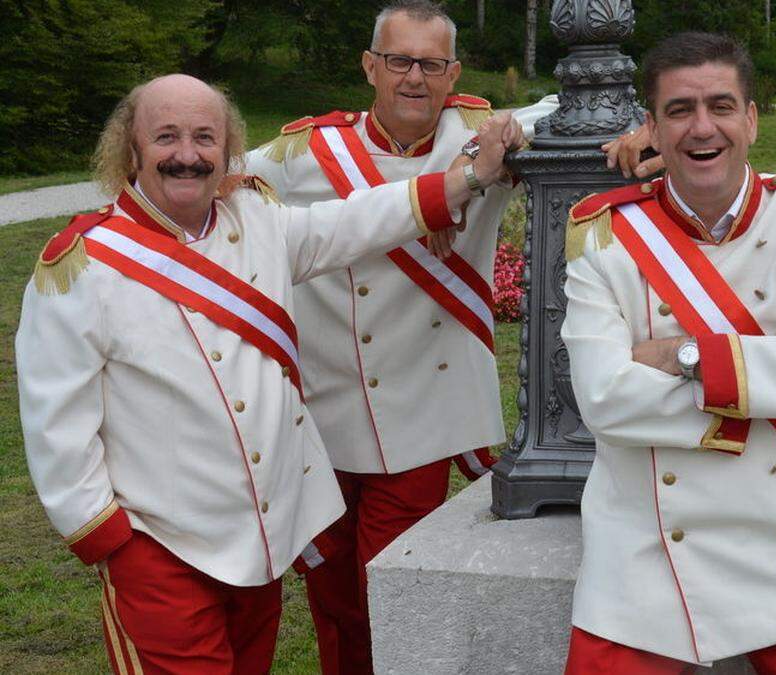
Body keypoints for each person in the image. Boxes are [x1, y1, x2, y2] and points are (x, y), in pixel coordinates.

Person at [15, 73, 513, 674]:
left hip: (262, 544)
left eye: (205, 137)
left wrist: (470, 175)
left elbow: (356, 221)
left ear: (226, 151)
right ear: (131, 150)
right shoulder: (82, 267)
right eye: (166, 137)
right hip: (160, 550)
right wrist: (118, 549)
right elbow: (57, 433)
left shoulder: (256, 219)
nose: (187, 155)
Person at [560, 32, 776, 674]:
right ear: (654, 130)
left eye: (721, 106)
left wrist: (678, 355)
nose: (702, 127)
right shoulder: (605, 236)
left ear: (750, 119)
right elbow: (604, 401)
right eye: (680, 110)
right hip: (647, 552)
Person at [244, 2, 554, 671]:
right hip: (323, 412)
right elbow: (216, 181)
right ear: (370, 67)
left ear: (453, 73)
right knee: (332, 596)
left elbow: (570, 109)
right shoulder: (305, 152)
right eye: (399, 61)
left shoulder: (475, 135)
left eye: (432, 64)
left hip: (419, 411)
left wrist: (476, 158)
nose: (415, 77)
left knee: (391, 587)